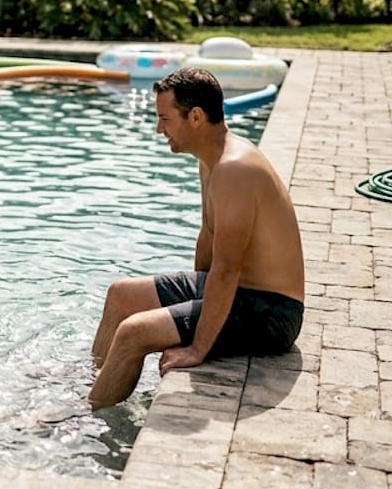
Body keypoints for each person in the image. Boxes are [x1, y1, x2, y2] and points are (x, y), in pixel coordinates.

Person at [88, 68, 305, 409]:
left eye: (165, 119)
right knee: (121, 296)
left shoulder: (235, 168)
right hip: (240, 294)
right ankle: (93, 384)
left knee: (134, 331)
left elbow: (228, 269)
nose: (159, 129)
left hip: (271, 312)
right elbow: (208, 238)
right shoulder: (212, 160)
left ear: (196, 117)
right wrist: (189, 310)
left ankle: (86, 417)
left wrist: (197, 346)